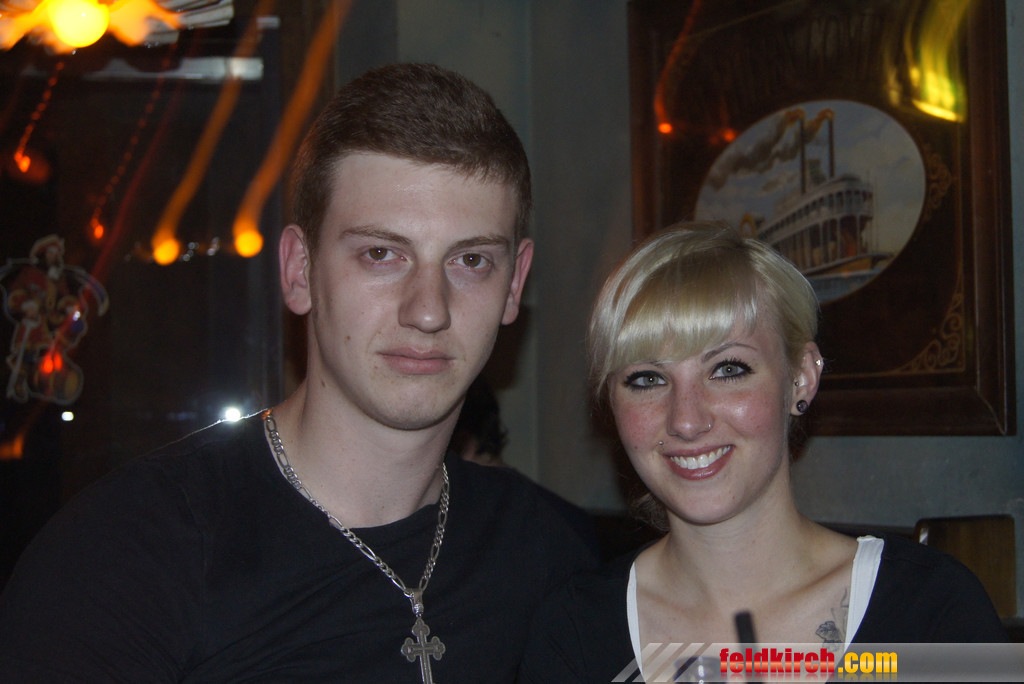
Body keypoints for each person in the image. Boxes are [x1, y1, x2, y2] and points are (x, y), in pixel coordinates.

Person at [0, 63, 598, 682]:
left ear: (514, 285)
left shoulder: (556, 555)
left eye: (471, 261)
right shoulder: (128, 555)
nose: (428, 310)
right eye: (381, 254)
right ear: (298, 271)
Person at [518, 223, 1006, 682]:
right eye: (647, 379)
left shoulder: (932, 610)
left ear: (802, 377)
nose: (686, 420)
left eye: (728, 369)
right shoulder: (574, 631)